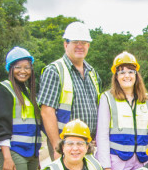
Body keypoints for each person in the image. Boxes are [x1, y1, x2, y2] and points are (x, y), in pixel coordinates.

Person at [96, 51, 148, 170]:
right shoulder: (107, 98)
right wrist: (106, 167)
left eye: (130, 71)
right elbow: (102, 134)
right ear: (116, 76)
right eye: (121, 72)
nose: (126, 75)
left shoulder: (147, 100)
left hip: (142, 162)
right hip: (118, 163)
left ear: (136, 75)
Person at [38, 21, 101, 161]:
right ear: (66, 44)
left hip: (87, 144)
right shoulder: (54, 71)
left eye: (83, 42)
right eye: (75, 42)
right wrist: (57, 147)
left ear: (88, 45)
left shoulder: (92, 73)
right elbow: (47, 111)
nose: (80, 46)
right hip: (66, 145)